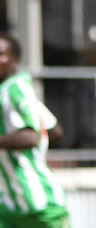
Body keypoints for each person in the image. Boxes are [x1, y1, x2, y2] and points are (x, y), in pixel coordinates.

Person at [0, 33, 71, 227]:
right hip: (9, 207)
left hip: (39, 205)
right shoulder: (13, 92)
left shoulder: (16, 88)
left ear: (15, 61)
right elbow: (55, 131)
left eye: (1, 54)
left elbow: (31, 136)